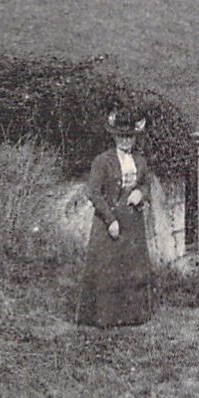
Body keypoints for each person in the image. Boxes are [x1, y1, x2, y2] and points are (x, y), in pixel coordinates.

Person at [75, 109, 155, 327]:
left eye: (130, 136)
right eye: (122, 136)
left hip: (133, 222)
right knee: (108, 268)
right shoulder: (102, 161)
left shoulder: (140, 160)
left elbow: (146, 184)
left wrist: (142, 194)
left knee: (132, 268)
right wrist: (110, 221)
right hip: (108, 222)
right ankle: (104, 317)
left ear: (134, 138)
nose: (126, 140)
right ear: (114, 137)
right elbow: (93, 192)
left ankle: (132, 316)